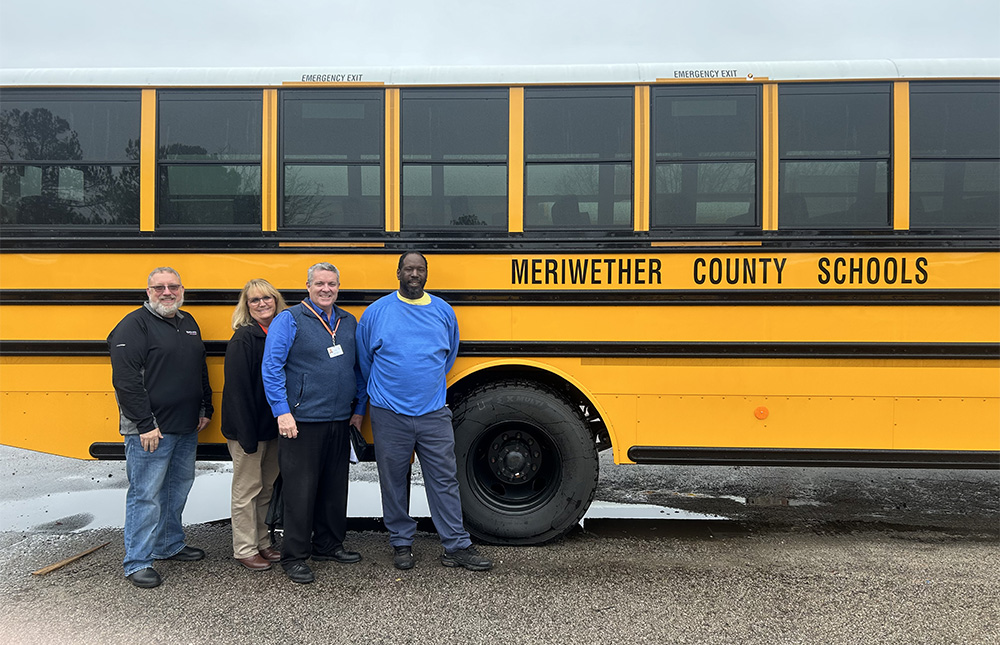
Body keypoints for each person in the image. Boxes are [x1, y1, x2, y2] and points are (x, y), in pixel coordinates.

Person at [356, 251, 493, 572]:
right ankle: (401, 543)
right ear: (398, 273)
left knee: (444, 479)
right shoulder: (377, 313)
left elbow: (447, 357)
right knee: (393, 480)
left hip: (433, 413)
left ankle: (456, 545)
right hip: (389, 413)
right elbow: (364, 365)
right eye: (408, 269)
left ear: (426, 274)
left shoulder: (443, 312)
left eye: (420, 269)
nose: (414, 274)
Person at [107, 267, 213, 589]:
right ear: (148, 290)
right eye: (159, 287)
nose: (167, 292)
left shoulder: (188, 323)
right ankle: (137, 561)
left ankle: (168, 543)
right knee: (146, 495)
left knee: (176, 488)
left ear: (182, 289)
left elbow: (199, 367)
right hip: (151, 431)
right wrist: (144, 424)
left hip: (184, 426)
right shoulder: (133, 325)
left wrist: (204, 407)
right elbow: (125, 381)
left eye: (173, 287)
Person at [261, 262, 366, 584]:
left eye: (331, 284)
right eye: (320, 283)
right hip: (300, 422)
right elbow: (271, 368)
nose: (326, 289)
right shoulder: (289, 320)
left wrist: (359, 409)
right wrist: (282, 412)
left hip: (339, 419)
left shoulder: (349, 322)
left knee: (335, 489)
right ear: (308, 286)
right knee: (300, 492)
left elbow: (358, 369)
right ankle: (295, 556)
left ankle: (329, 545)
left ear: (338, 287)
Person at [221, 279, 288, 571]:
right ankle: (244, 548)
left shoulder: (278, 333)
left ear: (276, 301)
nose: (262, 304)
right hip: (247, 429)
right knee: (246, 490)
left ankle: (263, 543)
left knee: (265, 489)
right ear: (246, 306)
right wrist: (246, 435)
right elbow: (237, 391)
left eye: (267, 298)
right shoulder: (244, 339)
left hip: (271, 427)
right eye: (254, 300)